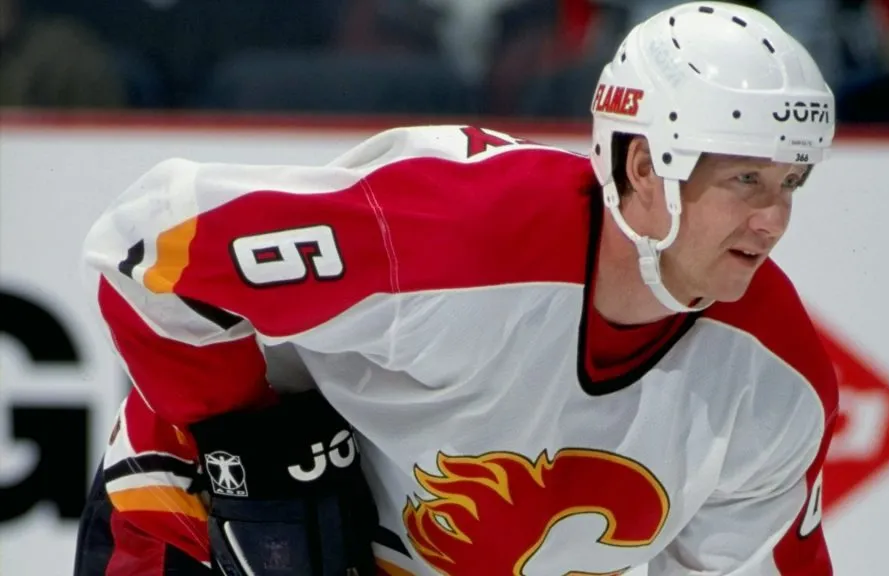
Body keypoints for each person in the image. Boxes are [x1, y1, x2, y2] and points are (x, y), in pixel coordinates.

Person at [73, 2, 839, 574]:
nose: (774, 220)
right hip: (205, 536)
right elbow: (150, 247)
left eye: (791, 184)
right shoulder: (455, 231)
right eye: (745, 180)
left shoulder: (779, 383)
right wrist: (248, 441)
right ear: (644, 167)